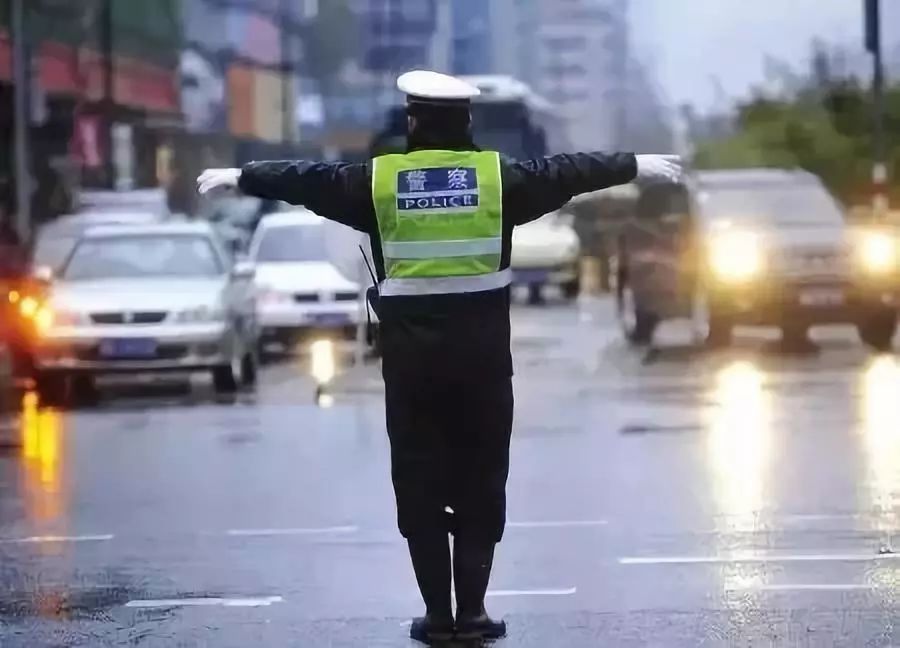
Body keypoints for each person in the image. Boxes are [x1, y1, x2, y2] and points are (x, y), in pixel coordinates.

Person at [197, 70, 682, 644]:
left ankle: (437, 615)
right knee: (480, 482)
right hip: (482, 366)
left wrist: (243, 176)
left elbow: (311, 181)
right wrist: (632, 164)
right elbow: (567, 173)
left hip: (411, 369)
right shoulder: (497, 181)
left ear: (411, 122)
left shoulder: (378, 185)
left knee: (421, 484)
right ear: (468, 124)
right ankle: (473, 613)